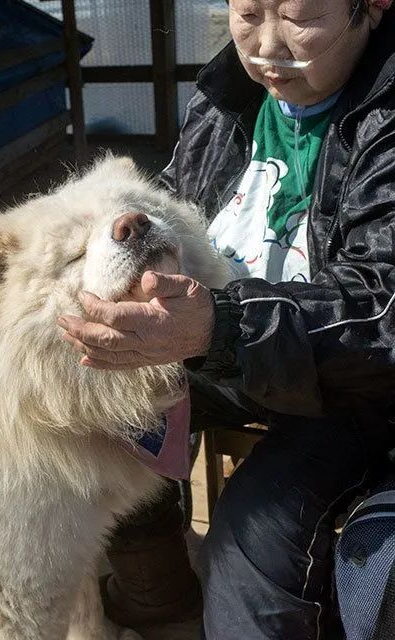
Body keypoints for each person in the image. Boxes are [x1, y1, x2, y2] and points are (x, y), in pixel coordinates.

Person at [58, 1, 395, 638]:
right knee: (88, 429)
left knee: (253, 534)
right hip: (211, 348)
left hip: (342, 382)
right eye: (248, 13)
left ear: (373, 7)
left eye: (300, 18)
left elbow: (383, 308)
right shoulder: (227, 98)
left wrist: (227, 326)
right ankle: (158, 593)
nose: (267, 46)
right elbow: (171, 202)